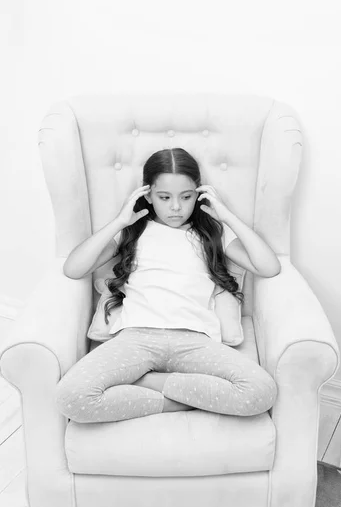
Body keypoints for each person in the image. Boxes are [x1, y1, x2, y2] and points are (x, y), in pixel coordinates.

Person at [56, 148, 281, 423]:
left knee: (261, 392)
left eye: (186, 197)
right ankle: (180, 402)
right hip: (137, 338)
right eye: (164, 197)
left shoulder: (211, 234)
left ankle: (149, 383)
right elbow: (73, 268)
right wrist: (119, 221)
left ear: (198, 195)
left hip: (194, 341)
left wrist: (227, 216)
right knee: (71, 396)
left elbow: (269, 266)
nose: (176, 207)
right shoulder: (133, 231)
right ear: (148, 196)